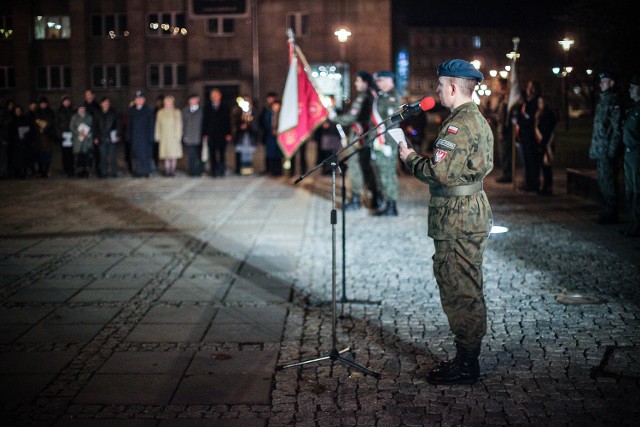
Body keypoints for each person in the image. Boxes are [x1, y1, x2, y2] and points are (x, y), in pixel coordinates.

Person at [399, 59, 493, 385]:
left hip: (457, 215)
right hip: (470, 210)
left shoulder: (459, 124)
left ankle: (466, 364)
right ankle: (468, 355)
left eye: (440, 85)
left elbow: (440, 172)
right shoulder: (475, 119)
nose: (437, 90)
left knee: (459, 286)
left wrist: (410, 158)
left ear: (453, 87)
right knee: (466, 281)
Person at [330, 71, 376, 210]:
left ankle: (356, 199)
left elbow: (351, 117)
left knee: (355, 167)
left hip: (359, 137)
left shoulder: (363, 97)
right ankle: (375, 198)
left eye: (358, 81)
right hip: (370, 137)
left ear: (365, 82)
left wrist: (334, 118)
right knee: (367, 167)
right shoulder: (373, 95)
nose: (356, 83)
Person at [590, 71, 623, 224]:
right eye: (601, 81)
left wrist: (612, 152)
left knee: (609, 181)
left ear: (612, 83)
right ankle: (608, 209)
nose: (601, 84)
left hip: (607, 151)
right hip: (600, 149)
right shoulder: (603, 101)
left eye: (604, 81)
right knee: (603, 181)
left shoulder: (613, 102)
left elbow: (616, 130)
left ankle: (612, 211)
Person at [369, 70, 402, 216]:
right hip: (379, 141)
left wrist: (388, 143)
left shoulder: (393, 97)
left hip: (386, 142)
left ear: (389, 80)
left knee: (388, 174)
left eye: (380, 80)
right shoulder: (382, 96)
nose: (377, 83)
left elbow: (392, 123)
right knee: (381, 174)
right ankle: (386, 202)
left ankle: (391, 205)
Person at [621, 75, 640, 237]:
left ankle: (637, 224)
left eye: (634, 87)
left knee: (637, 189)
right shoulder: (633, 108)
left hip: (636, 153)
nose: (630, 89)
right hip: (629, 153)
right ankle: (633, 223)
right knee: (631, 190)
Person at [516, 80, 542, 192]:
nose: (528, 89)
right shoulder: (526, 102)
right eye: (528, 87)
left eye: (531, 87)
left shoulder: (536, 102)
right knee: (525, 161)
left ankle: (533, 183)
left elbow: (531, 119)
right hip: (524, 136)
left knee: (532, 161)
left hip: (531, 137)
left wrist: (524, 120)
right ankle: (527, 182)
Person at [202, 88, 232, 177]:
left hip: (222, 134)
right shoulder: (207, 107)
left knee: (222, 153)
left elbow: (228, 121)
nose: (215, 97)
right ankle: (214, 171)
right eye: (213, 95)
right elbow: (205, 121)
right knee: (212, 153)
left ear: (220, 96)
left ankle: (222, 170)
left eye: (217, 95)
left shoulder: (225, 106)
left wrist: (228, 133)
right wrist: (205, 134)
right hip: (211, 134)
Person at [127, 91, 155, 177]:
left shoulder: (148, 110)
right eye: (137, 99)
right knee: (137, 155)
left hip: (145, 137)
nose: (139, 100)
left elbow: (151, 125)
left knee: (146, 155)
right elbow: (129, 125)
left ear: (144, 100)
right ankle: (138, 171)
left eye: (140, 99)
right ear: (135, 100)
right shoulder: (131, 110)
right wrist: (129, 137)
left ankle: (146, 171)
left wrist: (151, 137)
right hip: (135, 137)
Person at [534, 96, 557, 195]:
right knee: (543, 167)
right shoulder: (540, 114)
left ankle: (548, 187)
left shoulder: (548, 115)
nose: (539, 105)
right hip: (541, 143)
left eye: (541, 103)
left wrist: (543, 145)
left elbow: (547, 131)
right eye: (538, 103)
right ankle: (545, 186)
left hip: (546, 143)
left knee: (546, 166)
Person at [155, 95, 183, 177]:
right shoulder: (160, 113)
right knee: (166, 154)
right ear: (164, 103)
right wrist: (158, 135)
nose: (168, 103)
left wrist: (178, 135)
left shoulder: (176, 112)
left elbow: (179, 124)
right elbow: (158, 125)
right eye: (167, 102)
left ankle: (173, 170)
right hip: (164, 136)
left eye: (170, 102)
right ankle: (167, 171)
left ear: (173, 103)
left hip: (174, 136)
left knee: (173, 155)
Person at [92, 96, 120, 178]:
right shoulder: (97, 113)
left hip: (111, 137)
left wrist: (118, 135)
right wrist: (95, 137)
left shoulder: (113, 112)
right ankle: (103, 173)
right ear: (101, 104)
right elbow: (94, 126)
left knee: (113, 156)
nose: (106, 104)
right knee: (102, 157)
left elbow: (117, 125)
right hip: (101, 138)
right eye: (104, 103)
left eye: (108, 103)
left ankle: (114, 172)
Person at [32, 96, 57, 178]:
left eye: (44, 103)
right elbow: (34, 123)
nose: (43, 105)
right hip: (38, 137)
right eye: (42, 103)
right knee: (39, 154)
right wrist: (39, 129)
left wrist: (45, 130)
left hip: (47, 136)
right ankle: (40, 170)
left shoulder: (50, 112)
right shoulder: (36, 112)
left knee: (47, 154)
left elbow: (51, 123)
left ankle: (46, 171)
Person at [182, 93, 204, 176]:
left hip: (199, 136)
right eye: (191, 99)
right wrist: (184, 135)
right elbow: (183, 124)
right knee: (191, 155)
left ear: (198, 100)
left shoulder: (202, 110)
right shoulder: (185, 110)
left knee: (200, 155)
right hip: (190, 136)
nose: (192, 101)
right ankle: (192, 171)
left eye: (194, 99)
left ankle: (199, 171)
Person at [69, 104, 93, 177]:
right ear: (78, 110)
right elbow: (71, 127)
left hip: (86, 140)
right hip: (78, 140)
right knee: (78, 157)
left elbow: (92, 126)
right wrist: (79, 132)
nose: (82, 110)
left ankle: (86, 172)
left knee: (86, 156)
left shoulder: (89, 117)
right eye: (80, 109)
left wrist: (87, 133)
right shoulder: (74, 117)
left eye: (83, 109)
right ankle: (78, 172)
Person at [56, 95, 75, 177]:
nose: (67, 103)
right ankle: (66, 169)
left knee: (71, 153)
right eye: (65, 101)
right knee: (65, 153)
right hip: (63, 135)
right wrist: (60, 135)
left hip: (72, 134)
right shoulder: (59, 111)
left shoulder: (73, 111)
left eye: (68, 101)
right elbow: (56, 124)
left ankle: (71, 168)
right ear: (63, 102)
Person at [264, 99, 283, 176]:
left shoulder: (281, 115)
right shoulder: (268, 114)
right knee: (271, 154)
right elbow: (265, 123)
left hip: (279, 136)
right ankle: (271, 170)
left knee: (278, 155)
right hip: (270, 136)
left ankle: (278, 171)